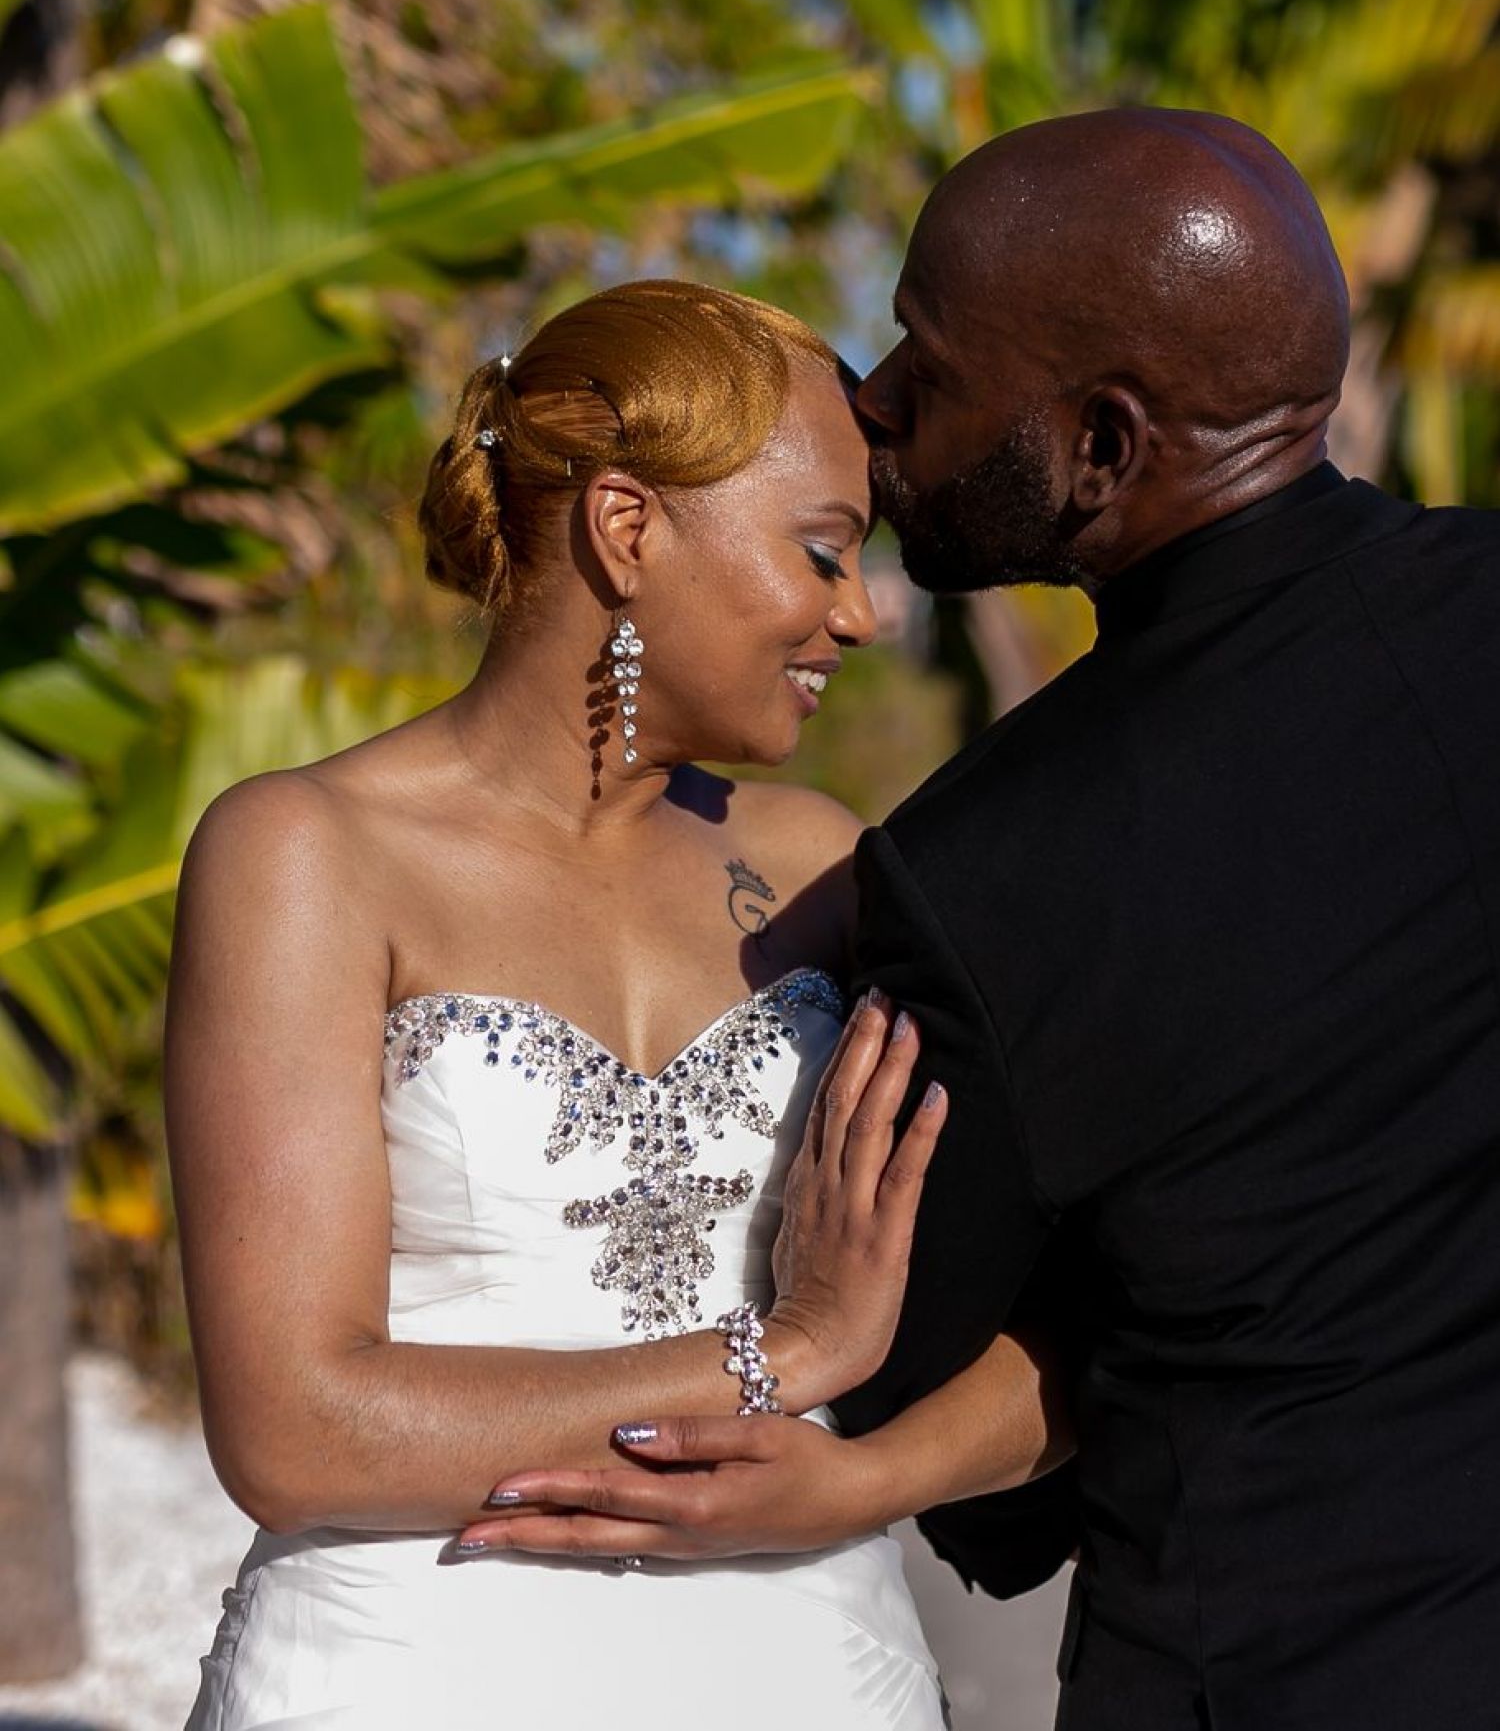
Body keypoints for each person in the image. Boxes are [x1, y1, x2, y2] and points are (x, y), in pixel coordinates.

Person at [460, 111, 1500, 1731]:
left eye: (930, 370)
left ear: (1104, 441)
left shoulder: (1000, 862)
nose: (873, 403)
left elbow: (932, 1402)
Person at [167, 279, 1064, 1731]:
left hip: (811, 1671)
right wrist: (779, 1357)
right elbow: (293, 1426)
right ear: (628, 528)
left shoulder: (827, 871)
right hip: (404, 1680)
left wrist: (868, 1470)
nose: (860, 610)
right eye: (824, 550)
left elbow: (1074, 1313)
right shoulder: (309, 855)